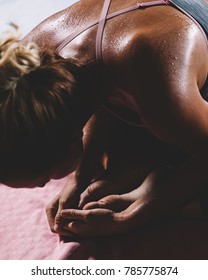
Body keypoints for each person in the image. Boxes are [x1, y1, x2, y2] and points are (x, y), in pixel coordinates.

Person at [0, 0, 208, 238]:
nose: (44, 185)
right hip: (148, 50)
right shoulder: (34, 56)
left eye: (43, 179)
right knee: (135, 132)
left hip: (165, 68)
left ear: (70, 143)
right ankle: (153, 170)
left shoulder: (159, 95)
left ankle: (164, 187)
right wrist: (79, 178)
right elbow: (95, 87)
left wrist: (130, 216)